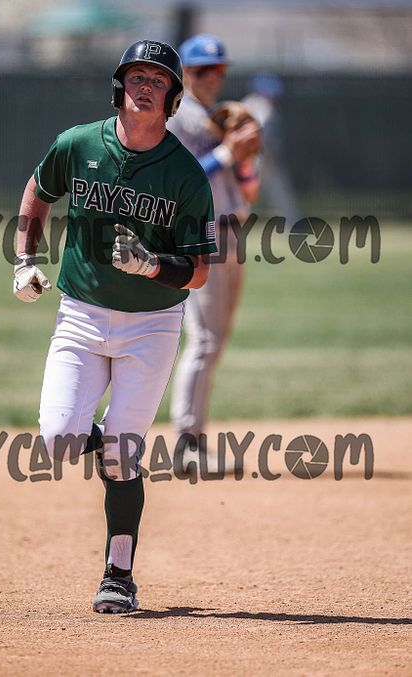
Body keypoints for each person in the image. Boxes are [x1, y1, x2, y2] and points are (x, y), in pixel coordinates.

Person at [12, 39, 216, 614]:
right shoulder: (77, 144)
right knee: (59, 440)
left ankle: (118, 574)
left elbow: (200, 271)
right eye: (136, 76)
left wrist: (151, 265)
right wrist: (25, 260)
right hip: (81, 314)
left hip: (151, 326)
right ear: (119, 87)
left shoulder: (184, 174)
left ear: (172, 98)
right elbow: (38, 191)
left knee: (122, 456)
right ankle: (113, 446)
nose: (144, 85)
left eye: (158, 79)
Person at [167, 34, 261, 457]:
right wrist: (226, 152)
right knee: (205, 339)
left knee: (217, 339)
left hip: (231, 233)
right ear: (186, 73)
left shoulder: (214, 115)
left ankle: (195, 438)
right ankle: (187, 442)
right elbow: (181, 182)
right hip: (200, 235)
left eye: (220, 69)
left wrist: (244, 159)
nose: (213, 77)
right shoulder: (179, 116)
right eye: (204, 69)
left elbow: (248, 188)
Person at [242, 73, 299, 227]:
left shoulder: (247, 103)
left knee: (247, 193)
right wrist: (267, 154)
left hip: (248, 156)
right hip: (259, 157)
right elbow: (261, 132)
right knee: (275, 190)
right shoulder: (262, 106)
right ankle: (291, 223)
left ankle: (234, 223)